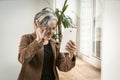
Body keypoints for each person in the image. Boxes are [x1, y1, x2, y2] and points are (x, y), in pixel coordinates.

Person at [17, 7, 76, 80]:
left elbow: (63, 67)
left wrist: (70, 55)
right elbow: (22, 59)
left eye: (53, 28)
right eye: (48, 28)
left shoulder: (55, 44)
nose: (51, 32)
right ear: (37, 26)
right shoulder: (27, 38)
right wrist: (37, 41)